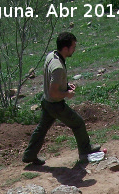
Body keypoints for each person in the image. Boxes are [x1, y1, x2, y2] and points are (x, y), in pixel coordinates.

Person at [22, 32, 101, 166]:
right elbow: (54, 93)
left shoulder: (51, 56)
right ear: (65, 48)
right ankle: (85, 151)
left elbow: (52, 83)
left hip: (46, 102)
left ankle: (29, 155)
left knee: (41, 129)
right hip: (55, 104)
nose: (74, 49)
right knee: (78, 123)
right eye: (73, 47)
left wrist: (64, 86)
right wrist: (66, 94)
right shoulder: (58, 67)